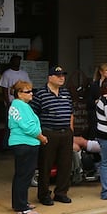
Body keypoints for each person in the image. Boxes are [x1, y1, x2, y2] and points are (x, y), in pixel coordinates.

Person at [31, 66, 75, 205]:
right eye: (58, 75)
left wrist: (71, 130)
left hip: (65, 133)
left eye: (63, 75)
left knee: (65, 165)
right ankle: (44, 194)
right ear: (50, 77)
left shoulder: (66, 93)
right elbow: (33, 115)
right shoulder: (40, 94)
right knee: (45, 165)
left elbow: (71, 112)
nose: (62, 77)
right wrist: (39, 133)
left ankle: (61, 193)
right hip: (49, 133)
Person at [6, 80, 44, 214]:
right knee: (24, 175)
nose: (31, 94)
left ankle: (20, 202)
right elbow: (28, 126)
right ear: (19, 93)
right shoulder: (20, 105)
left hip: (24, 143)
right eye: (27, 92)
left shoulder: (18, 105)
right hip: (25, 143)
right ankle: (22, 207)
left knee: (22, 175)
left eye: (31, 91)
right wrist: (41, 137)